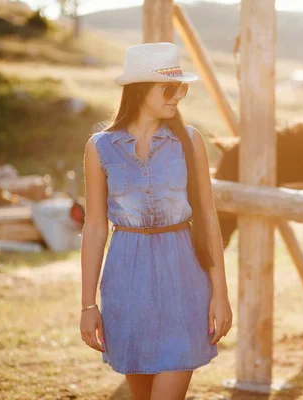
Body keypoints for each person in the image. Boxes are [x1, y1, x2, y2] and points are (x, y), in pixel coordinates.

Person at [79, 42, 232, 400]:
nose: (178, 95)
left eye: (182, 87)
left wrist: (220, 293)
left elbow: (208, 217)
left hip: (184, 277)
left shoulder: (189, 141)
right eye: (169, 87)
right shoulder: (100, 147)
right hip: (125, 282)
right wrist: (88, 306)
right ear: (139, 89)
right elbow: (95, 227)